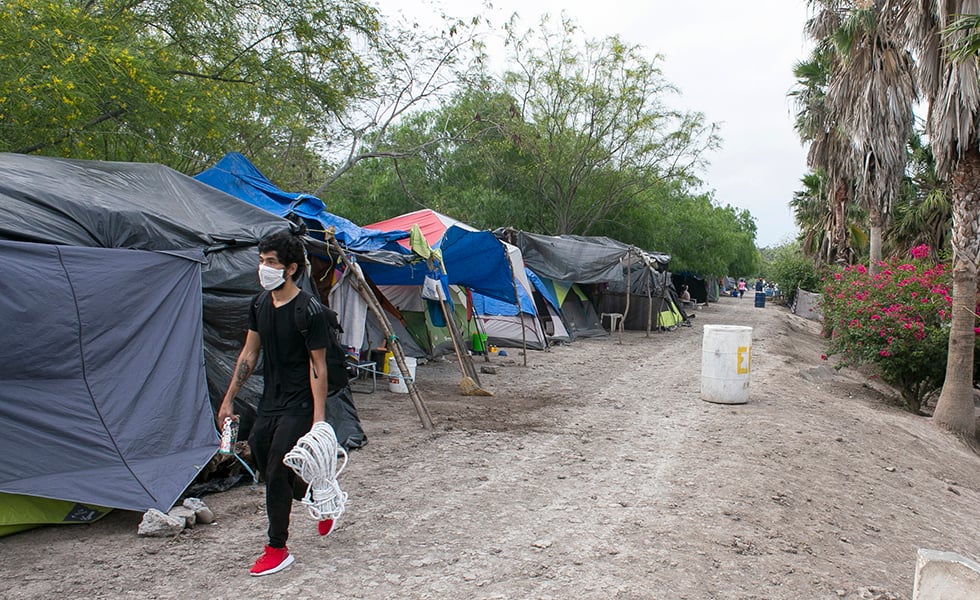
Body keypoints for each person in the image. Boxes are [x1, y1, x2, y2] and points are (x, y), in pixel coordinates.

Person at [217, 230, 339, 577]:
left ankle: (277, 547)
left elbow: (319, 366)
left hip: (300, 403)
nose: (263, 268)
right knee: (259, 453)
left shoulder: (309, 311)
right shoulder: (259, 305)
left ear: (291, 268)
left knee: (275, 471)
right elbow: (249, 354)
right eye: (261, 261)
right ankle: (317, 494)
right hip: (270, 399)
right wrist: (228, 399)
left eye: (271, 262)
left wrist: (319, 420)